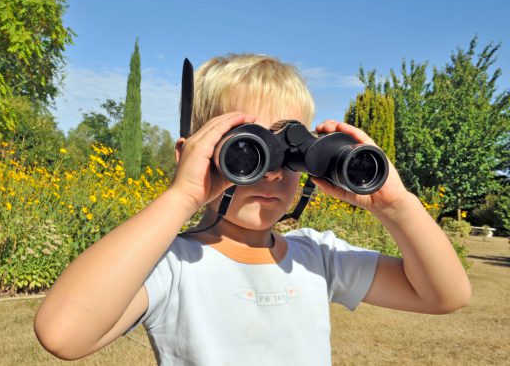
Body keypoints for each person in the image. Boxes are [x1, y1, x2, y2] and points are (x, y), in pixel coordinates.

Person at [33, 54, 471, 364]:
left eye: (291, 157)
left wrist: (397, 206)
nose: (273, 173)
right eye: (250, 153)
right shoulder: (172, 267)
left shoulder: (319, 258)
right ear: (196, 155)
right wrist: (181, 196)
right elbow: (63, 334)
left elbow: (445, 295)